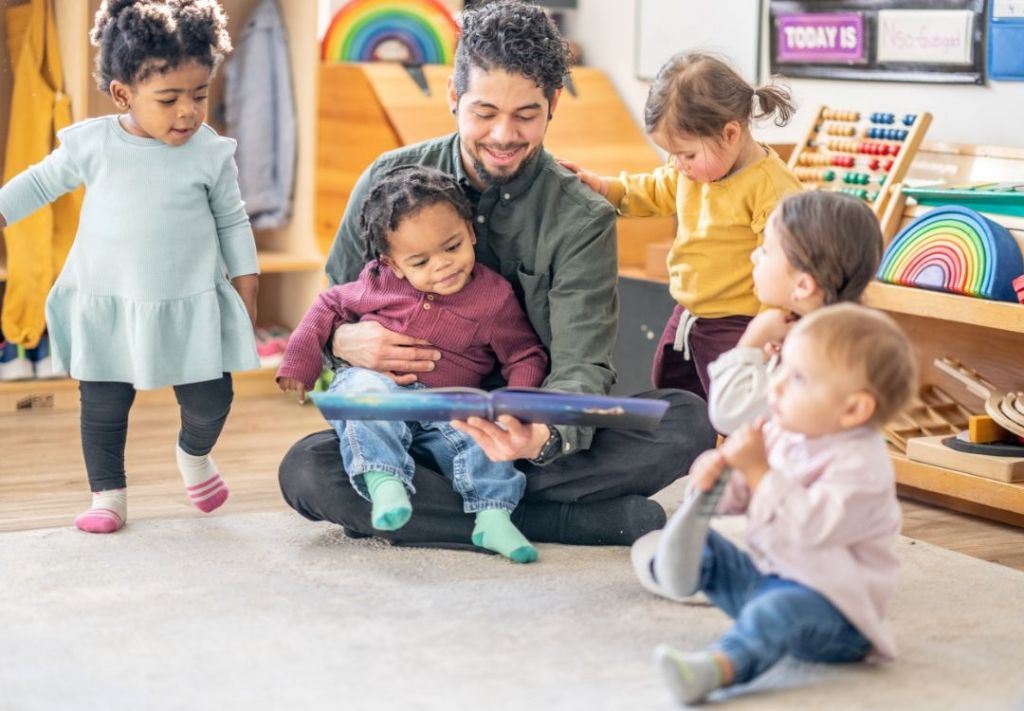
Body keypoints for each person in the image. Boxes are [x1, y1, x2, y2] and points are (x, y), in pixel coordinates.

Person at [277, 0, 716, 549]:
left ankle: (464, 507)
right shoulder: (386, 180)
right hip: (412, 431)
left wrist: (539, 435)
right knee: (306, 470)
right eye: (484, 112)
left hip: (527, 433)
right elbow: (331, 307)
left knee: (684, 420)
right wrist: (345, 341)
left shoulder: (583, 216)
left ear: (554, 103)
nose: (503, 135)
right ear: (453, 97)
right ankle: (551, 521)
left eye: (525, 115)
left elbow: (583, 364)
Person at [0, 0, 258, 533]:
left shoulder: (209, 153)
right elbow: (42, 183)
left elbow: (233, 222)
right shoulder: (93, 142)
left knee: (213, 400)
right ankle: (108, 496)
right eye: (169, 99)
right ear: (123, 93)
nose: (188, 111)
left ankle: (194, 454)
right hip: (108, 300)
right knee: (102, 407)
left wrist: (246, 288)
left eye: (199, 95)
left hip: (190, 301)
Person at [277, 166, 548, 563]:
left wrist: (514, 404)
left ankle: (493, 517)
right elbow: (329, 304)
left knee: (485, 436)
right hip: (379, 391)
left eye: (453, 247)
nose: (442, 266)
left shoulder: (494, 297)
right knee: (364, 394)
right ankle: (385, 481)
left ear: (471, 233)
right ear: (395, 264)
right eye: (420, 262)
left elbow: (525, 353)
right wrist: (299, 361)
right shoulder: (379, 281)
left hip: (445, 406)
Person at [650, 304, 917, 705]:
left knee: (777, 611)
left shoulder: (862, 465)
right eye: (780, 368)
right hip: (768, 577)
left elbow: (811, 525)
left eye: (796, 379)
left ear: (853, 409)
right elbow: (743, 496)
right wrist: (718, 478)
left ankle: (717, 668)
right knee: (708, 544)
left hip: (834, 613)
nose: (773, 387)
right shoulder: (787, 432)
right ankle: (680, 567)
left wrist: (758, 471)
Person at [562, 52, 804, 399]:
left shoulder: (771, 189)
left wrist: (768, 333)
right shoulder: (690, 172)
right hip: (689, 316)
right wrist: (604, 187)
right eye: (671, 155)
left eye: (687, 155)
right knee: (673, 395)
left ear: (731, 133)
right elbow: (654, 189)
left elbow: (786, 268)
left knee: (735, 410)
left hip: (739, 325)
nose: (678, 165)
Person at [706, 191, 884, 434]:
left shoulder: (817, 352)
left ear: (803, 286)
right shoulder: (836, 334)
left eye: (766, 250)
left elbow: (727, 414)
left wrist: (752, 341)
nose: (754, 255)